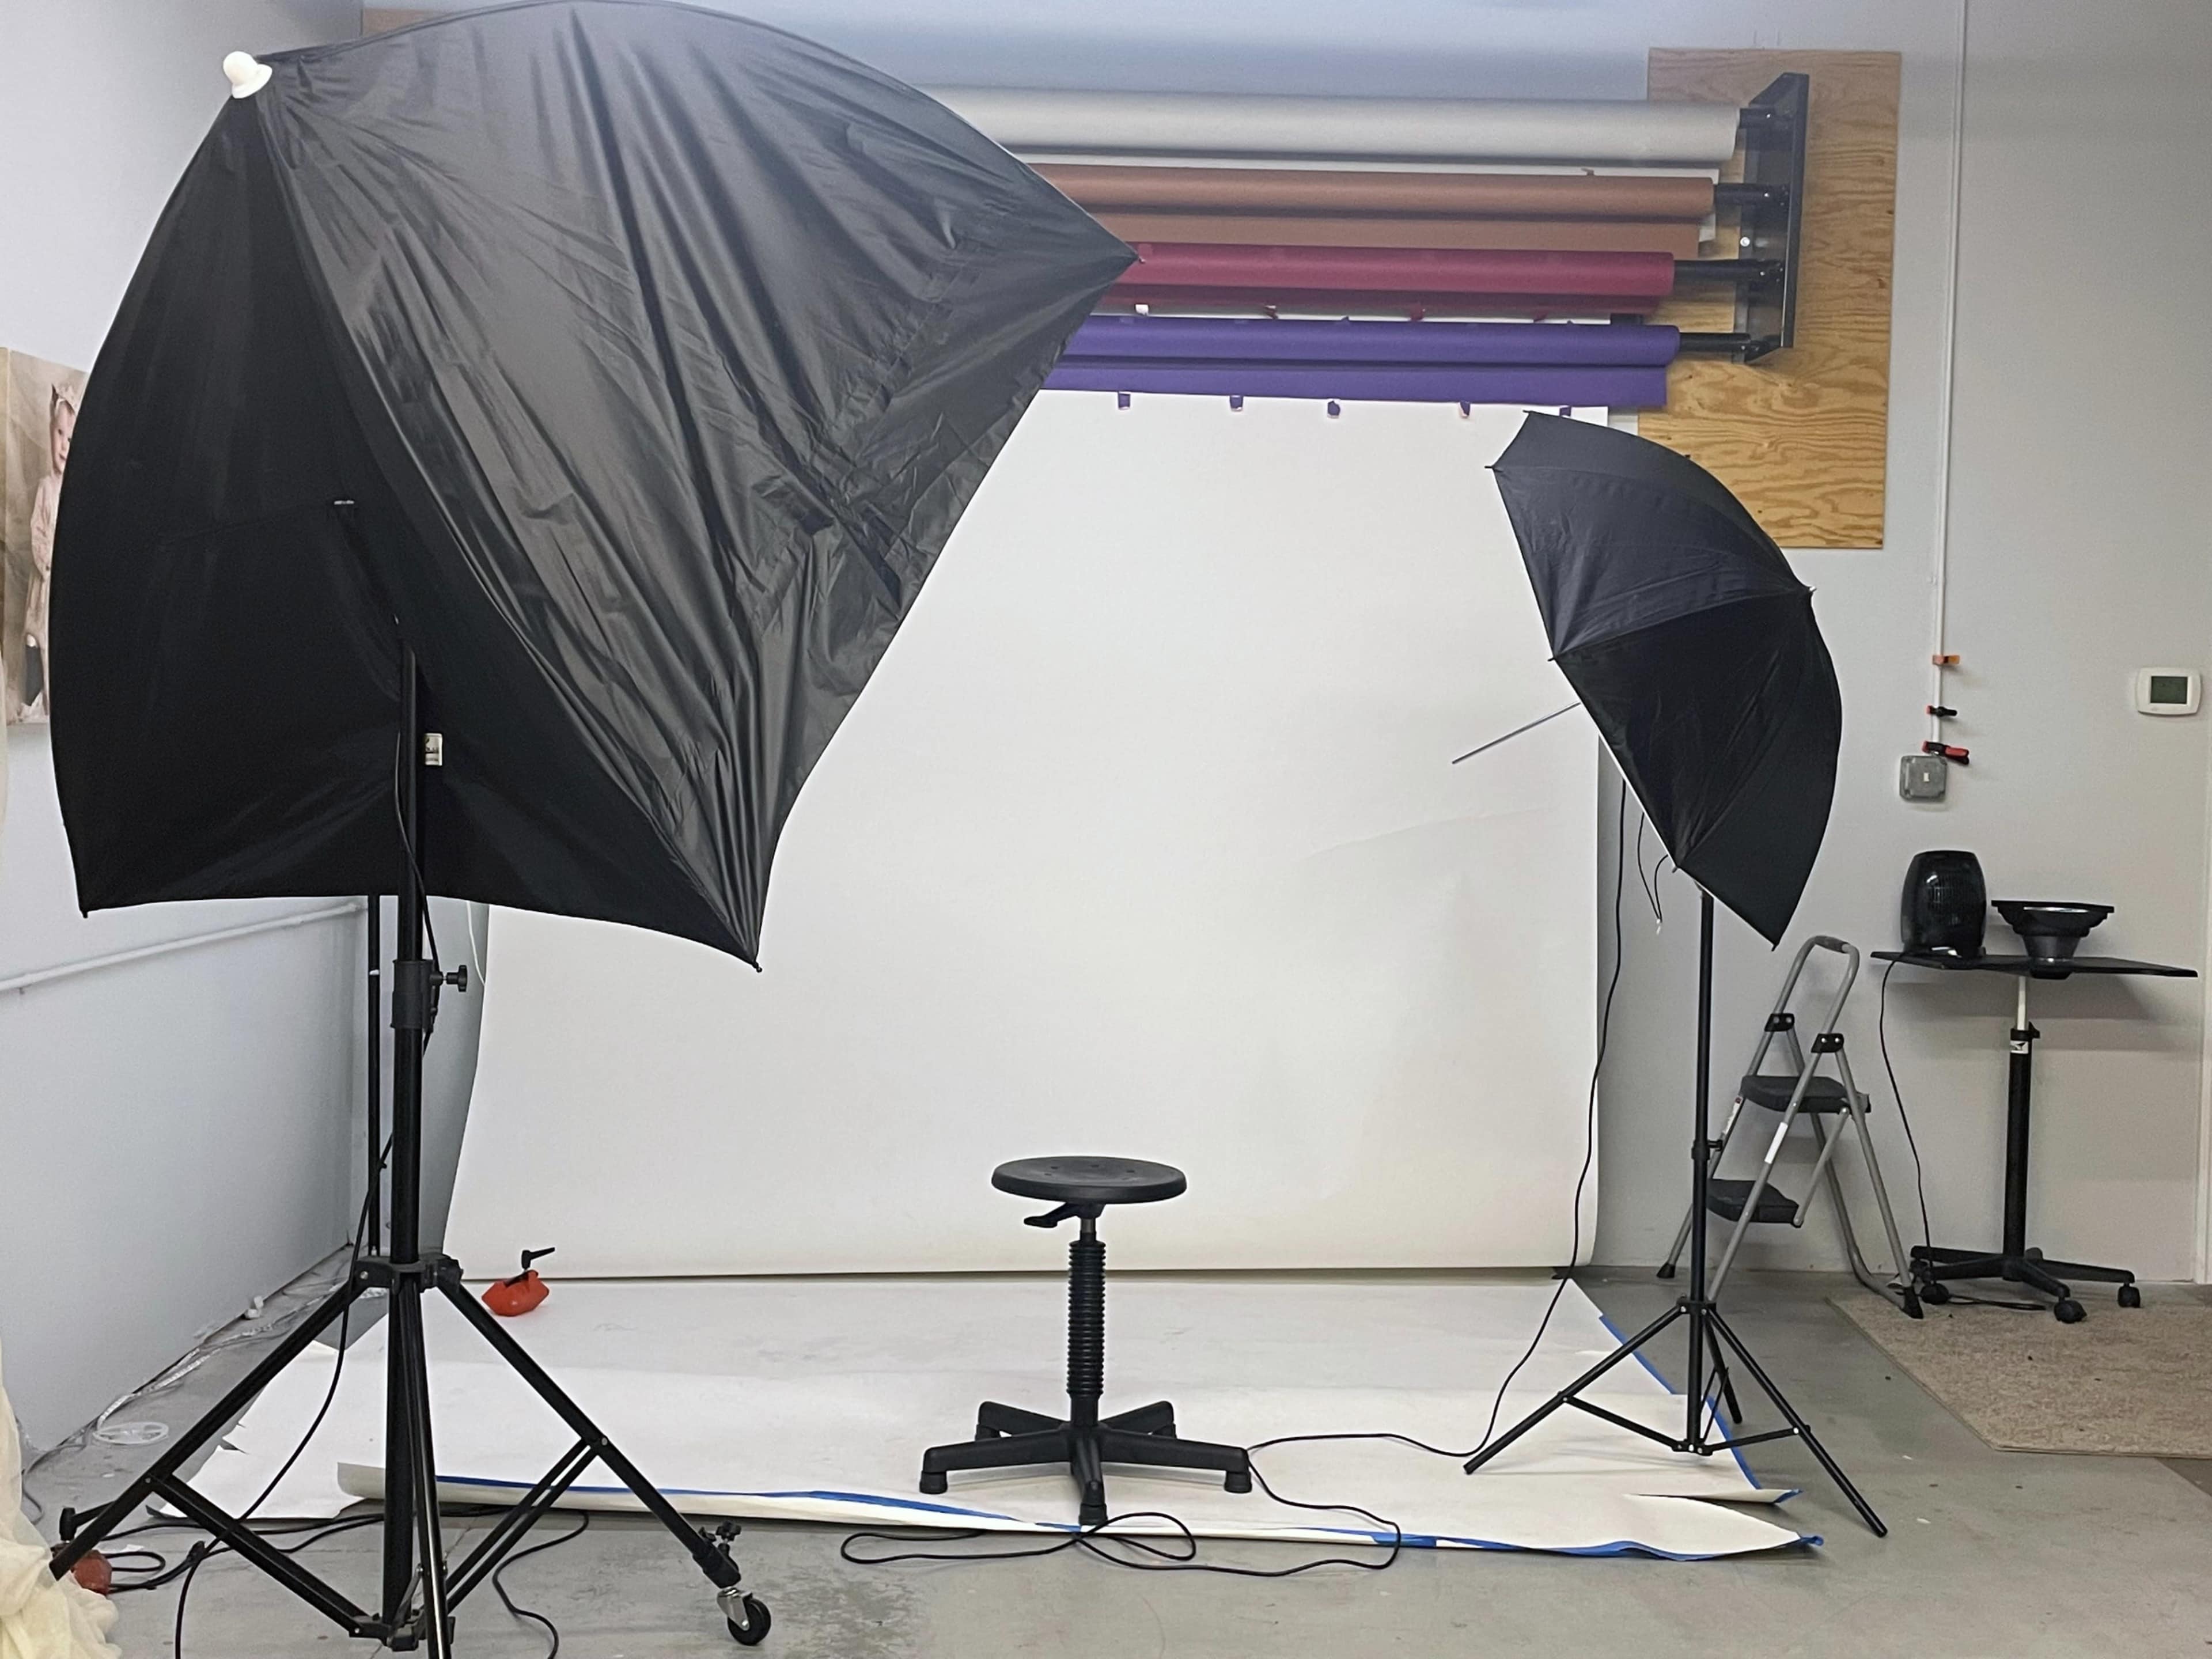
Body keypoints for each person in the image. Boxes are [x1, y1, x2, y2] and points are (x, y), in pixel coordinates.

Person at [21, 384, 75, 720]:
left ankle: (57, 703)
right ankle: (32, 697)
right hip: (46, 582)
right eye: (60, 435)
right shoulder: (46, 488)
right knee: (33, 636)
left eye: (71, 439)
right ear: (50, 434)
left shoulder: (75, 493)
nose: (65, 446)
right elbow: (37, 532)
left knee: (58, 645)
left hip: (65, 585)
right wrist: (47, 562)